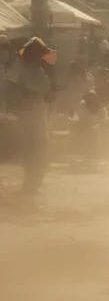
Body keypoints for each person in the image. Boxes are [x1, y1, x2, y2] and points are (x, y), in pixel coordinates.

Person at [5, 38, 55, 193]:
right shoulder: (20, 68)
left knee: (40, 147)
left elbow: (45, 87)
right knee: (33, 147)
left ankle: (34, 182)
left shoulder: (36, 67)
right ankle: (30, 182)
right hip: (27, 112)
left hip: (37, 110)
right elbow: (9, 88)